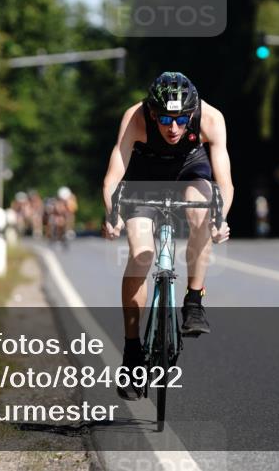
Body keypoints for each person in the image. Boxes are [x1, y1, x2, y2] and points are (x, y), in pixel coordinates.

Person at [102, 72, 233, 400]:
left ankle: (193, 300)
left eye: (180, 120)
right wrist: (112, 214)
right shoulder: (134, 118)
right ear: (150, 111)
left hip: (191, 171)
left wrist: (221, 219)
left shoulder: (211, 118)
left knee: (201, 211)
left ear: (192, 113)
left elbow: (225, 183)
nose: (173, 128)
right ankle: (133, 351)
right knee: (142, 252)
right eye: (163, 119)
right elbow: (112, 177)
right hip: (143, 181)